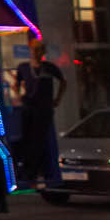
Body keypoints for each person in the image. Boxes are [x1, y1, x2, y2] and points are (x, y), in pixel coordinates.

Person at [18, 42, 67, 187]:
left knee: (40, 141)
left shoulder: (49, 67)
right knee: (28, 141)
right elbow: (17, 83)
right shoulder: (24, 67)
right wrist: (20, 96)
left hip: (44, 109)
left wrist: (57, 99)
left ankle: (40, 173)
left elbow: (63, 82)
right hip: (29, 108)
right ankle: (30, 173)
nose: (37, 53)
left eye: (40, 50)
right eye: (35, 50)